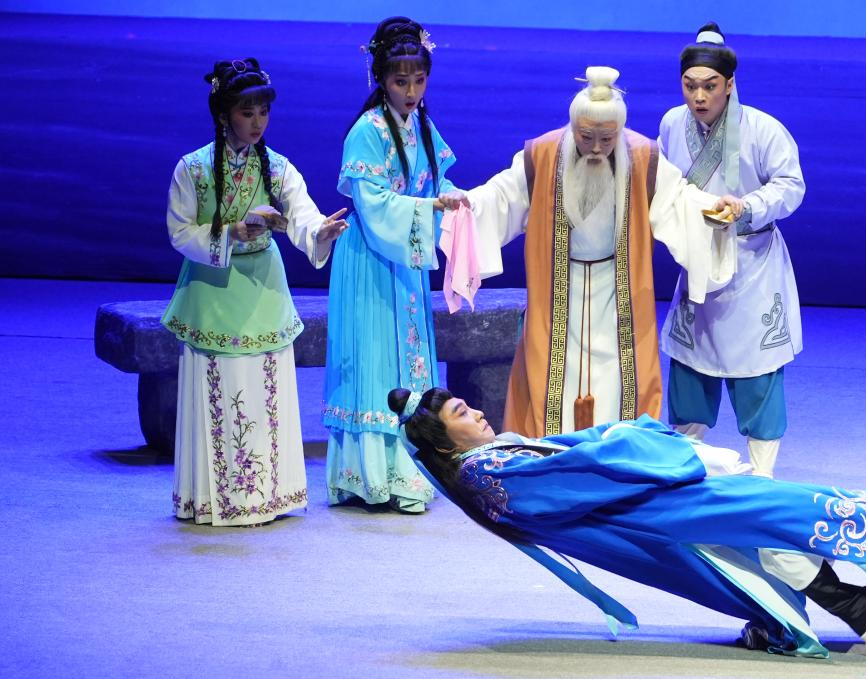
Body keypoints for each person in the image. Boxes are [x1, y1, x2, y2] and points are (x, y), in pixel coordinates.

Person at [390, 386, 866, 657]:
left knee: (757, 533)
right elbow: (576, 472)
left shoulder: (484, 464)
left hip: (636, 510)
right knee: (773, 509)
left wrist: (621, 436)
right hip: (645, 511)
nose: (477, 412)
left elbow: (568, 452)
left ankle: (857, 605)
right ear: (444, 444)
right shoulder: (486, 474)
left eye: (467, 405)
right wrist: (643, 445)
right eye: (461, 414)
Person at [464, 67, 740, 438]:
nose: (596, 148)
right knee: (554, 377)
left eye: (607, 139)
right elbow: (500, 196)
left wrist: (711, 209)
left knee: (617, 377)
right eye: (586, 137)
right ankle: (555, 455)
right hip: (558, 291)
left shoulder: (641, 156)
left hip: (617, 290)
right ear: (573, 128)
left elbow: (679, 199)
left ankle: (616, 454)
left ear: (619, 133)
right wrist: (466, 205)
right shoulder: (543, 153)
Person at [163, 58, 348, 526]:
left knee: (265, 393)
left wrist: (320, 232)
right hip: (212, 289)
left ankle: (268, 495)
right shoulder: (193, 169)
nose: (257, 122)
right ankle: (213, 499)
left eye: (263, 112)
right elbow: (180, 231)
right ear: (223, 113)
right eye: (247, 112)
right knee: (220, 392)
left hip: (263, 288)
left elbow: (302, 212)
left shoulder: (278, 167)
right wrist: (229, 232)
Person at [322, 17, 469, 514]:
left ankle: (408, 467)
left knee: (410, 358)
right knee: (373, 358)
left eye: (419, 80)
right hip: (370, 257)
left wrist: (452, 197)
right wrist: (428, 207)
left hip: (405, 258)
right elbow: (373, 203)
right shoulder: (367, 131)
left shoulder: (421, 125)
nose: (411, 91)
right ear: (381, 79)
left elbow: (437, 180)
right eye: (401, 81)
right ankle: (366, 476)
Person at [658, 23, 806, 477]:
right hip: (699, 259)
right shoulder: (672, 124)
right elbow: (662, 182)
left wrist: (746, 206)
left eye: (709, 86)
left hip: (751, 263)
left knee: (757, 372)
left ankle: (762, 476)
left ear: (729, 84)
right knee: (690, 368)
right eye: (690, 86)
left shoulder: (763, 129)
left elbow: (791, 185)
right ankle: (684, 473)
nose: (699, 97)